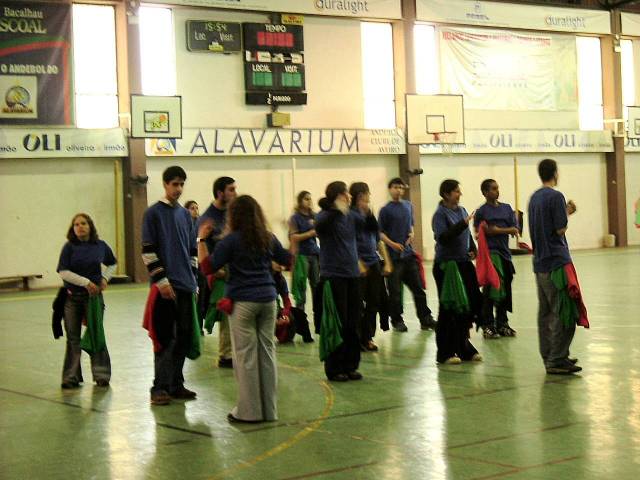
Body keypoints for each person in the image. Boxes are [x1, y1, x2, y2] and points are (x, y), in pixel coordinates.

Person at [198, 195, 291, 423]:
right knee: (267, 354)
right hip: (268, 300)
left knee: (246, 357)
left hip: (243, 302)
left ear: (234, 216)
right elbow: (288, 260)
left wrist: (201, 240)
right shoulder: (268, 238)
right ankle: (269, 411)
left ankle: (249, 412)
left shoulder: (230, 241)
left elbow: (207, 267)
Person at [142, 166, 200, 405]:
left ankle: (176, 384)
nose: (178, 188)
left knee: (184, 337)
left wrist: (194, 281)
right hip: (164, 289)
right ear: (165, 184)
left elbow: (192, 251)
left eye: (181, 184)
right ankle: (159, 387)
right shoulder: (153, 214)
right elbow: (147, 251)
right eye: (174, 184)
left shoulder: (185, 215)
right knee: (165, 339)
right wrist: (162, 281)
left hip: (186, 287)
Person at [528, 159, 582, 375]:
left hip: (540, 261)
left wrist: (563, 212)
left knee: (546, 313)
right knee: (565, 310)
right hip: (556, 262)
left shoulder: (534, 198)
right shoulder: (556, 196)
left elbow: (545, 225)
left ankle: (551, 354)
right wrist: (566, 212)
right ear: (555, 173)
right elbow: (559, 228)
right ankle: (557, 358)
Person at [56, 213, 116, 389]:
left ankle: (102, 375)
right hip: (72, 299)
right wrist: (86, 283)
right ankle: (71, 377)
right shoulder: (69, 247)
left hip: (94, 299)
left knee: (96, 334)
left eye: (83, 223)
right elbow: (63, 272)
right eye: (76, 224)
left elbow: (112, 263)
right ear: (72, 228)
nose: (80, 227)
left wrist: (105, 278)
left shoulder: (100, 246)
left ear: (90, 226)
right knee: (73, 338)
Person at [315, 181, 363, 381]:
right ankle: (335, 368)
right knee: (338, 322)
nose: (349, 197)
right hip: (334, 276)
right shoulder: (325, 216)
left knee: (353, 322)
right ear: (338, 196)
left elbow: (369, 227)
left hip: (352, 275)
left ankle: (351, 365)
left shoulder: (351, 215)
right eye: (346, 193)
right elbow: (320, 228)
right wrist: (335, 210)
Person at [431, 179, 483, 364]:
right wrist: (463, 224)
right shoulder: (440, 215)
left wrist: (473, 249)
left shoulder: (461, 211)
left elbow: (467, 235)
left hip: (463, 263)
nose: (459, 194)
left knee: (467, 307)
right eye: (456, 191)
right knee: (449, 308)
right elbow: (443, 238)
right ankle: (445, 352)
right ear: (446, 194)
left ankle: (464, 347)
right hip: (447, 267)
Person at [379, 177, 435, 332]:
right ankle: (397, 320)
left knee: (418, 289)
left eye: (401, 187)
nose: (398, 190)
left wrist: (412, 233)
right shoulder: (385, 210)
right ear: (390, 189)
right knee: (395, 292)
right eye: (395, 187)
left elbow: (411, 225)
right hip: (393, 258)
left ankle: (425, 318)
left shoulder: (408, 206)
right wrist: (392, 244)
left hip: (409, 256)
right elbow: (380, 233)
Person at [198, 176, 237, 368]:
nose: (235, 193)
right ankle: (226, 354)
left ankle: (235, 351)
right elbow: (200, 247)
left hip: (236, 270)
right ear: (220, 193)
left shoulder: (233, 213)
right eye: (231, 189)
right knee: (227, 313)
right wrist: (213, 273)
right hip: (219, 272)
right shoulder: (207, 218)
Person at [474, 179, 519, 339]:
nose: (496, 191)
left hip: (505, 254)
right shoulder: (481, 212)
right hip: (491, 255)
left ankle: (502, 323)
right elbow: (482, 232)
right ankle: (488, 325)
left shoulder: (506, 208)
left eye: (497, 188)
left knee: (505, 290)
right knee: (491, 290)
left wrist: (498, 230)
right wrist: (505, 230)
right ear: (485, 192)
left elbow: (515, 229)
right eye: (493, 189)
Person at [349, 182, 391, 352]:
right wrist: (358, 262)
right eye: (366, 194)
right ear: (359, 196)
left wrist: (387, 261)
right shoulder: (351, 217)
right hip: (358, 266)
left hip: (373, 263)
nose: (368, 198)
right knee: (358, 304)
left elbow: (378, 240)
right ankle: (357, 338)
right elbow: (349, 243)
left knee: (374, 302)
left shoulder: (370, 215)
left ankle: (368, 337)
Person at [289, 191, 320, 316]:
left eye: (310, 199)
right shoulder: (295, 218)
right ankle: (300, 317)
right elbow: (293, 237)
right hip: (302, 255)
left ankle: (318, 315)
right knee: (301, 288)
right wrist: (310, 233)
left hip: (314, 254)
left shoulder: (315, 216)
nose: (309, 201)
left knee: (316, 286)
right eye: (306, 199)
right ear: (300, 201)